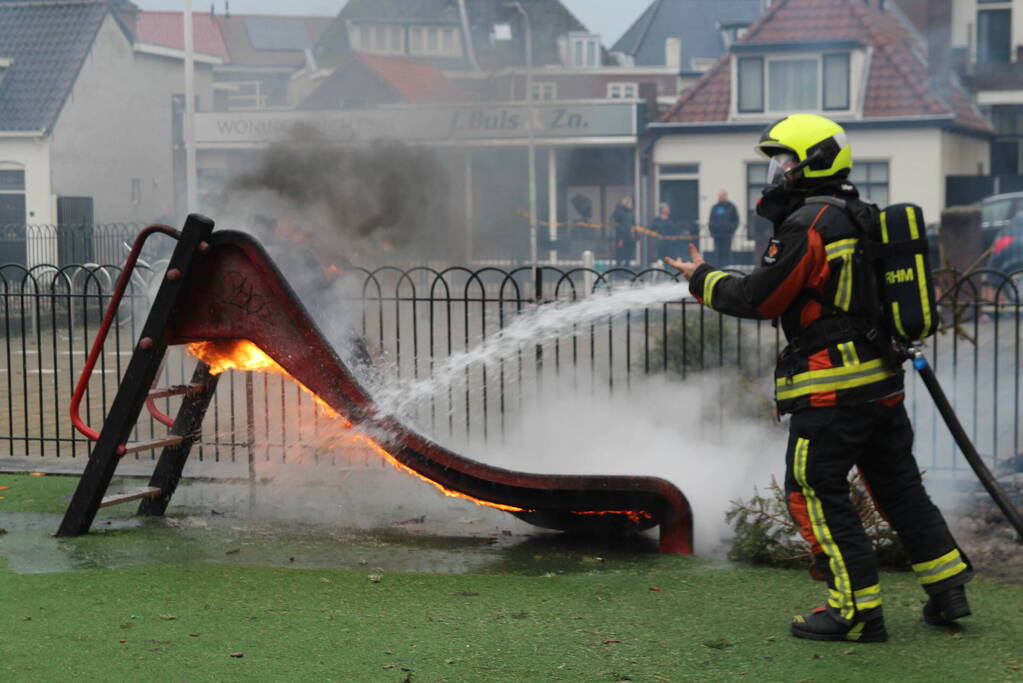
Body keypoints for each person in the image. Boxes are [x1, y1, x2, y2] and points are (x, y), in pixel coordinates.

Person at [666, 113, 972, 643]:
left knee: (812, 488)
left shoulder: (811, 223)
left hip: (832, 388)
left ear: (812, 163)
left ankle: (854, 611)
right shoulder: (859, 214)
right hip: (880, 383)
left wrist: (703, 280)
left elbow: (762, 297)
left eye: (785, 161)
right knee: (899, 487)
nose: (778, 172)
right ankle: (948, 590)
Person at [708, 190, 740, 265]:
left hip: (727, 234)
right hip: (717, 234)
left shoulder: (732, 207)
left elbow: (736, 220)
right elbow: (711, 220)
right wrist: (712, 231)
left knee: (726, 252)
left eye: (722, 196)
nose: (720, 197)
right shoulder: (715, 207)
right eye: (719, 196)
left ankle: (726, 267)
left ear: (726, 196)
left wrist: (731, 230)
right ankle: (718, 267)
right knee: (717, 252)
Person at [611, 196, 636, 267]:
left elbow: (633, 225)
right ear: (626, 204)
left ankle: (627, 266)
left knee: (628, 253)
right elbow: (616, 223)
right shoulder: (619, 211)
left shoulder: (631, 213)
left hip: (629, 237)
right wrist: (620, 237)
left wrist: (633, 234)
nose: (631, 205)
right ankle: (619, 268)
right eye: (630, 203)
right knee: (620, 252)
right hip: (621, 236)